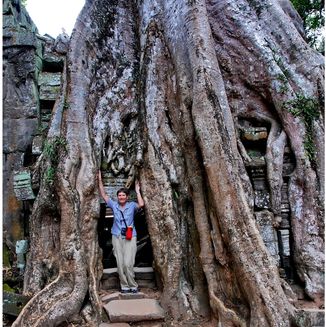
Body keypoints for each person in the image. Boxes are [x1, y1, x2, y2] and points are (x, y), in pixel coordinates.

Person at [98, 171, 144, 293]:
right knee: (120, 263)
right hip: (117, 235)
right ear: (117, 197)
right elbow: (104, 195)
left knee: (129, 263)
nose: (121, 197)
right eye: (119, 196)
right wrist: (99, 180)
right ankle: (124, 286)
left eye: (123, 195)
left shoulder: (132, 205)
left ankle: (133, 284)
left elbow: (141, 204)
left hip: (130, 235)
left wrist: (138, 191)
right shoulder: (114, 205)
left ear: (127, 197)